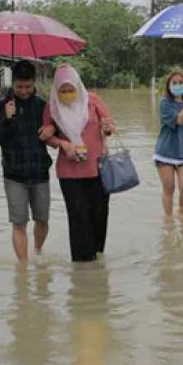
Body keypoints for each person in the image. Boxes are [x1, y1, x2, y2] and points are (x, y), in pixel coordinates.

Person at [41, 64, 116, 263]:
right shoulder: (52, 107)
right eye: (62, 91)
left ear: (78, 86)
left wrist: (107, 127)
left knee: (99, 215)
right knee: (78, 219)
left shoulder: (92, 101)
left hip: (97, 168)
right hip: (70, 173)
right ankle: (83, 267)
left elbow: (109, 125)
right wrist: (62, 143)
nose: (66, 94)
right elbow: (47, 136)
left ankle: (97, 257)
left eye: (70, 89)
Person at [0, 60, 54, 265]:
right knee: (19, 223)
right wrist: (7, 119)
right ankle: (24, 266)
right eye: (19, 87)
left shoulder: (43, 106)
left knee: (42, 220)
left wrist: (52, 130)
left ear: (34, 83)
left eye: (28, 87)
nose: (24, 91)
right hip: (14, 174)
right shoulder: (2, 106)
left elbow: (55, 138)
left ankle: (37, 250)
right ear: (13, 84)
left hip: (40, 172)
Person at [154, 71, 183, 216]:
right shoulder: (164, 104)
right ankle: (168, 220)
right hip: (165, 152)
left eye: (181, 82)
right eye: (174, 83)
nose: (178, 85)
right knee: (169, 189)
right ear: (168, 86)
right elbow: (179, 120)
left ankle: (182, 213)